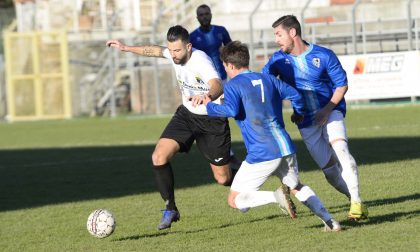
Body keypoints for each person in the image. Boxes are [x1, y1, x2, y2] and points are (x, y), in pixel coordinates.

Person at [106, 25, 237, 230]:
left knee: (223, 178)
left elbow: (217, 83)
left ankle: (245, 178)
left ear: (189, 47)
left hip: (212, 119)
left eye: (177, 51)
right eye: (171, 50)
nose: (173, 55)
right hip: (187, 115)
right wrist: (126, 48)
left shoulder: (200, 60)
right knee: (159, 157)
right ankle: (171, 208)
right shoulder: (173, 53)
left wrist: (208, 96)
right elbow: (156, 50)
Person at [204, 41, 342, 232]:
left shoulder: (234, 84)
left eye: (225, 66)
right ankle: (331, 222)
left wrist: (208, 105)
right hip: (285, 147)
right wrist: (299, 113)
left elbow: (230, 109)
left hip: (262, 151)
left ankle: (275, 197)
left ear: (230, 65)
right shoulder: (268, 79)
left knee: (235, 200)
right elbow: (296, 95)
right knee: (296, 186)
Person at [262, 15, 368, 221]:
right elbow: (266, 82)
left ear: (293, 33)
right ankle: (355, 199)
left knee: (341, 150)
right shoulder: (277, 60)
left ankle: (355, 203)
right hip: (305, 121)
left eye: (279, 34)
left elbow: (342, 85)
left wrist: (327, 110)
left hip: (331, 112)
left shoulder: (324, 55)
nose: (276, 40)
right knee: (330, 173)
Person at [190, 4, 232, 83]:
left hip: (222, 76)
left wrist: (225, 52)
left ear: (211, 15)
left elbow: (232, 51)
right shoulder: (192, 37)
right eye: (201, 15)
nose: (204, 17)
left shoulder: (221, 30)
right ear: (197, 18)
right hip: (203, 78)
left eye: (207, 14)